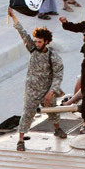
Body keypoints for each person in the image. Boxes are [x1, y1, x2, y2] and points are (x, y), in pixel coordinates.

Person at [8, 8, 66, 152]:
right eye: (36, 41)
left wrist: (51, 92)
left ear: (46, 42)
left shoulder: (53, 57)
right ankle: (21, 140)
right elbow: (22, 33)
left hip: (47, 90)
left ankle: (57, 129)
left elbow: (59, 74)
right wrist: (13, 16)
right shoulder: (32, 48)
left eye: (40, 42)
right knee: (27, 113)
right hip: (32, 90)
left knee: (52, 111)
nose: (37, 43)